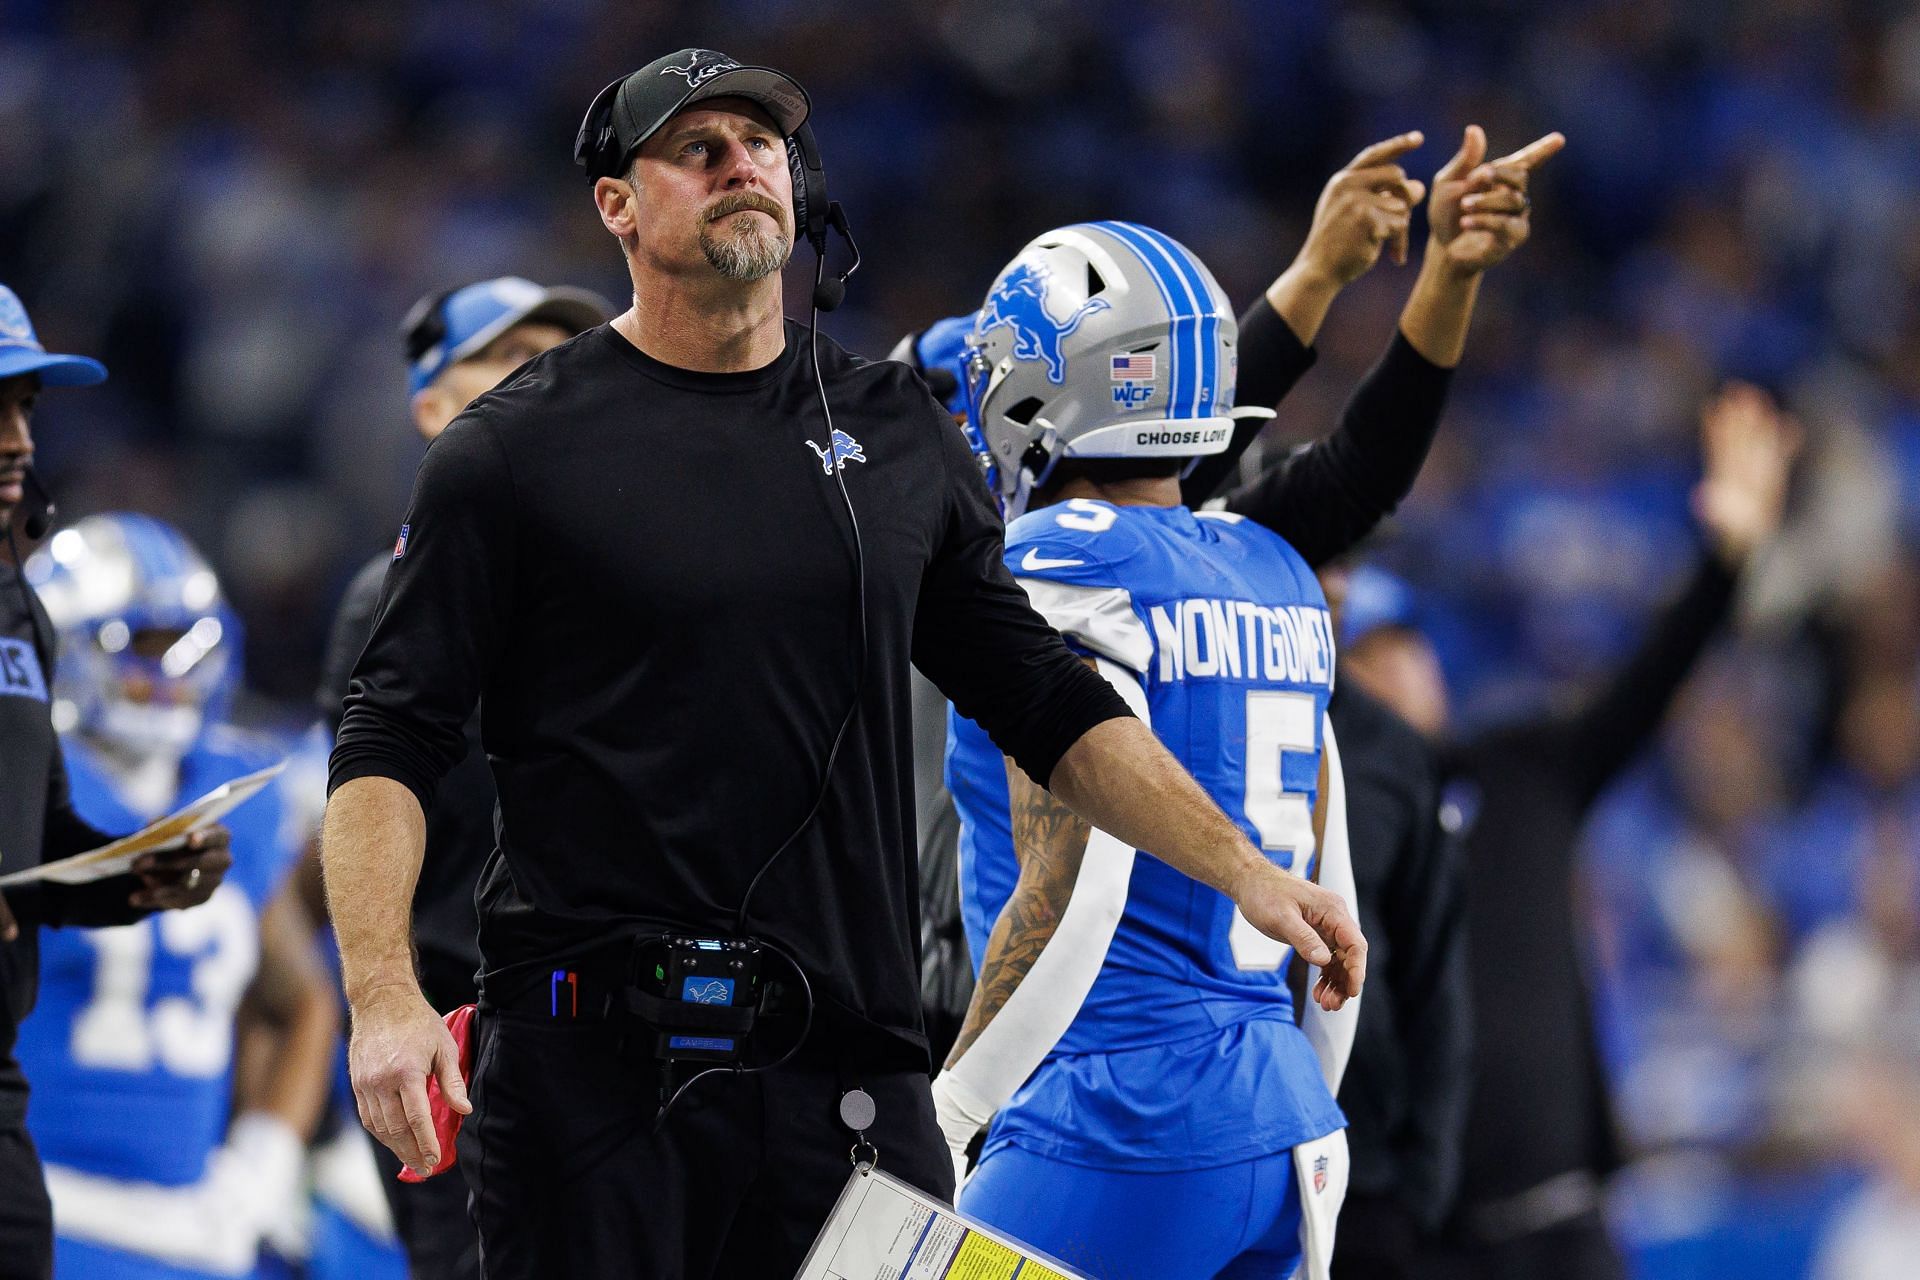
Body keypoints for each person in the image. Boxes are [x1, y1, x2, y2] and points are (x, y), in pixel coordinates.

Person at [320, 48, 1364, 1280]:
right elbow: (388, 735)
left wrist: (1245, 869)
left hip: (844, 1078)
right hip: (585, 1078)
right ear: (618, 202)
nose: (742, 168)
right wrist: (383, 992)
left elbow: (1051, 701)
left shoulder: (900, 431)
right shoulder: (510, 452)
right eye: (698, 150)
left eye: (761, 145)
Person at [923, 125, 1557, 1278]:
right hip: (1283, 1118)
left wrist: (954, 1107)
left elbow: (1081, 876)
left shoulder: (1046, 565)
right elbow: (1336, 895)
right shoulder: (1266, 569)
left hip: (1106, 1107)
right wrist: (1307, 1094)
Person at [1335, 386, 1799, 1280]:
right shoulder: (1312, 824)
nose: (1396, 675)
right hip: (1414, 1243)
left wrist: (1726, 553)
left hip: (1565, 1228)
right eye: (1365, 661)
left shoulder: (1523, 769)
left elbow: (1649, 680)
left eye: (1404, 648)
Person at [314, 275, 607, 1280]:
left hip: (604, 1038)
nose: (542, 374)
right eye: (505, 353)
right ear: (432, 405)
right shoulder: (396, 596)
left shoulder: (614, 576)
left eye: (561, 350)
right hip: (463, 1048)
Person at [16, 514, 337, 1280]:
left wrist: (259, 1170)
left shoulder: (236, 799)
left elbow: (303, 1002)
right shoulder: (23, 791)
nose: (170, 677)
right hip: (47, 1209)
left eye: (185, 646)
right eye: (140, 649)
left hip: (193, 1233)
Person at [0, 283, 232, 1280]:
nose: (17, 440)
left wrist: (131, 876)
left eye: (26, 410)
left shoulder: (16, 607)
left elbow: (37, 839)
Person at [1318, 564, 1468, 1280]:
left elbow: (1435, 980)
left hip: (1368, 1174)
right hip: (1225, 1151)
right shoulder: (1190, 715)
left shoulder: (1393, 755)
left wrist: (1423, 1181)